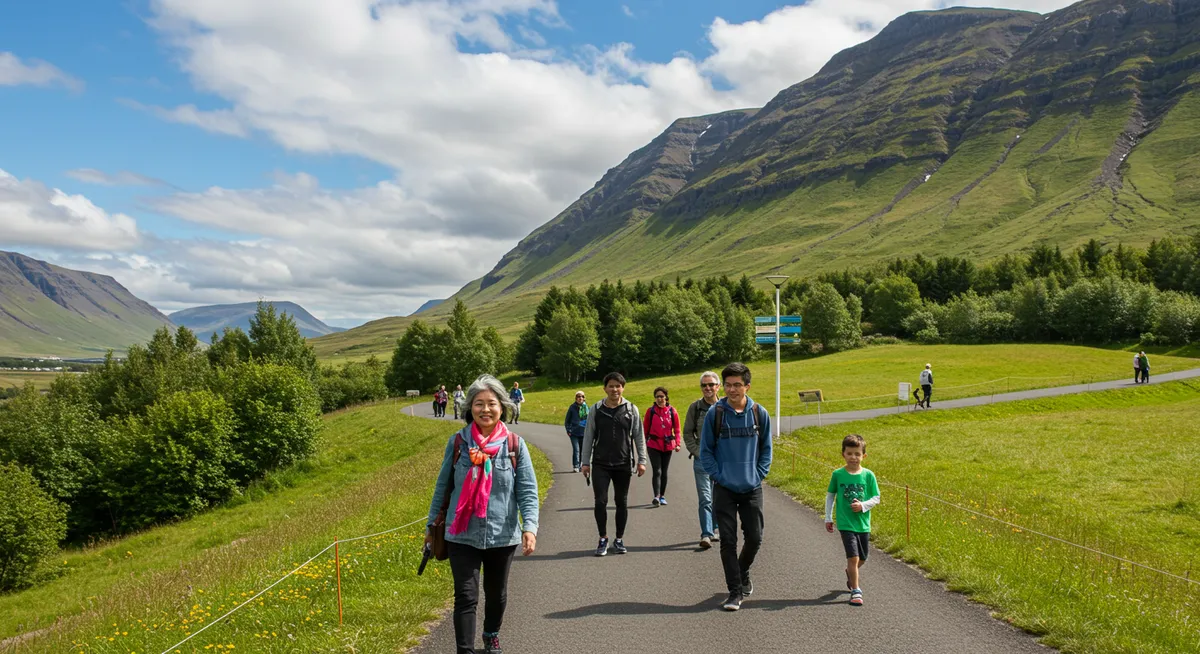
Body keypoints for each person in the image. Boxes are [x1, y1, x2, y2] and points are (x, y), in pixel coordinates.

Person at [425, 374, 539, 654]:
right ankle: (464, 649)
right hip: (461, 532)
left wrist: (530, 527)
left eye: (491, 404)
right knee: (465, 595)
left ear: (502, 407)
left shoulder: (514, 445)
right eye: (479, 404)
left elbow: (527, 490)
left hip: (503, 532)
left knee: (497, 594)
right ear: (469, 408)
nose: (485, 410)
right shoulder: (458, 443)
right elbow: (442, 487)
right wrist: (431, 526)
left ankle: (491, 635)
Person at [700, 362, 771, 611]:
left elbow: (766, 450)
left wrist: (758, 474)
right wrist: (718, 476)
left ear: (747, 386)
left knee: (755, 537)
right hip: (724, 488)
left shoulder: (759, 413)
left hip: (752, 487)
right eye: (728, 385)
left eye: (737, 385)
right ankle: (734, 592)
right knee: (728, 541)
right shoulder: (715, 414)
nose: (732, 389)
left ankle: (742, 572)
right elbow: (705, 451)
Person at [581, 372, 647, 557]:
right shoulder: (596, 409)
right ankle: (603, 538)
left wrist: (642, 461)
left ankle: (619, 539)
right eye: (611, 386)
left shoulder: (631, 409)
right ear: (605, 388)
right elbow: (588, 436)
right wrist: (585, 462)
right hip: (601, 463)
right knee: (600, 502)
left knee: (621, 502)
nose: (614, 389)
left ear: (623, 388)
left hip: (623, 463)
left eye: (618, 386)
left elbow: (639, 437)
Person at [824, 433, 880, 607]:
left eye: (857, 454)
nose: (853, 458)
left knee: (863, 558)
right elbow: (830, 496)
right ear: (843, 454)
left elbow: (876, 498)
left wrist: (863, 505)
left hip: (863, 524)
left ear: (864, 455)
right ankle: (856, 590)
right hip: (845, 523)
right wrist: (828, 517)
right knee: (854, 557)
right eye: (849, 453)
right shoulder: (838, 474)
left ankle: (850, 572)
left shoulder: (868, 476)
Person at [684, 371, 721, 549]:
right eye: (704, 385)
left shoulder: (725, 406)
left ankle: (716, 527)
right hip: (702, 460)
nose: (707, 388)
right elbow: (687, 433)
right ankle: (706, 534)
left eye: (711, 384)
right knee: (705, 498)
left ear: (718, 386)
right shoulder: (695, 408)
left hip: (722, 461)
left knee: (719, 497)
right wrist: (698, 452)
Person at [644, 386, 681, 506]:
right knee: (657, 470)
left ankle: (662, 496)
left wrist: (678, 443)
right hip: (653, 444)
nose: (659, 399)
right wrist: (644, 443)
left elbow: (677, 429)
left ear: (666, 397)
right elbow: (645, 429)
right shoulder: (651, 411)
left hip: (667, 445)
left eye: (662, 396)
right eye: (657, 397)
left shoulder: (672, 411)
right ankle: (656, 496)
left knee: (664, 471)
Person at [563, 391, 589, 472]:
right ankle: (576, 466)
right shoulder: (572, 407)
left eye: (582, 396)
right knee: (576, 449)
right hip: (574, 433)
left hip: (583, 432)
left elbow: (590, 421)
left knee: (582, 450)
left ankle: (581, 465)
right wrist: (569, 430)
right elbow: (567, 420)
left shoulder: (587, 408)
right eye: (578, 396)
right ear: (576, 398)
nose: (580, 398)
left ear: (584, 398)